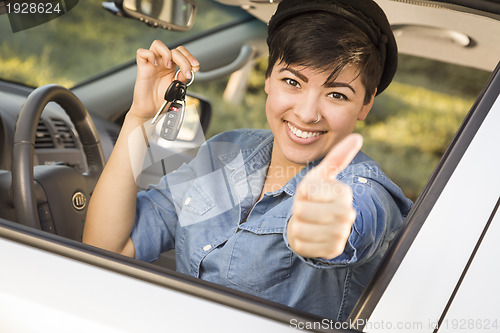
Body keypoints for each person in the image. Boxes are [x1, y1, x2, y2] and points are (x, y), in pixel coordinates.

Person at [83, 0, 413, 321]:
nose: (307, 113)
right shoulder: (226, 151)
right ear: (268, 79)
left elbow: (353, 226)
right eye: (292, 82)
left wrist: (322, 233)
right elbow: (107, 247)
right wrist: (141, 116)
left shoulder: (366, 191)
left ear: (366, 104)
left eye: (337, 94)